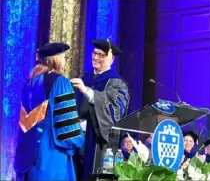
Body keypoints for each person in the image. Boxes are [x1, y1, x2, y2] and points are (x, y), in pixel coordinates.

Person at [13, 42, 84, 181]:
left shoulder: (29, 83)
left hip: (26, 159)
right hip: (51, 158)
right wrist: (78, 139)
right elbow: (68, 129)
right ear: (56, 59)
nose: (64, 61)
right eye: (64, 57)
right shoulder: (60, 82)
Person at [70, 39, 129, 179]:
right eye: (94, 53)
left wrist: (87, 91)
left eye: (101, 55)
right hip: (75, 137)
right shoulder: (85, 78)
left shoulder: (116, 83)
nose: (95, 58)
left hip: (97, 142)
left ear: (111, 58)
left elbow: (116, 112)